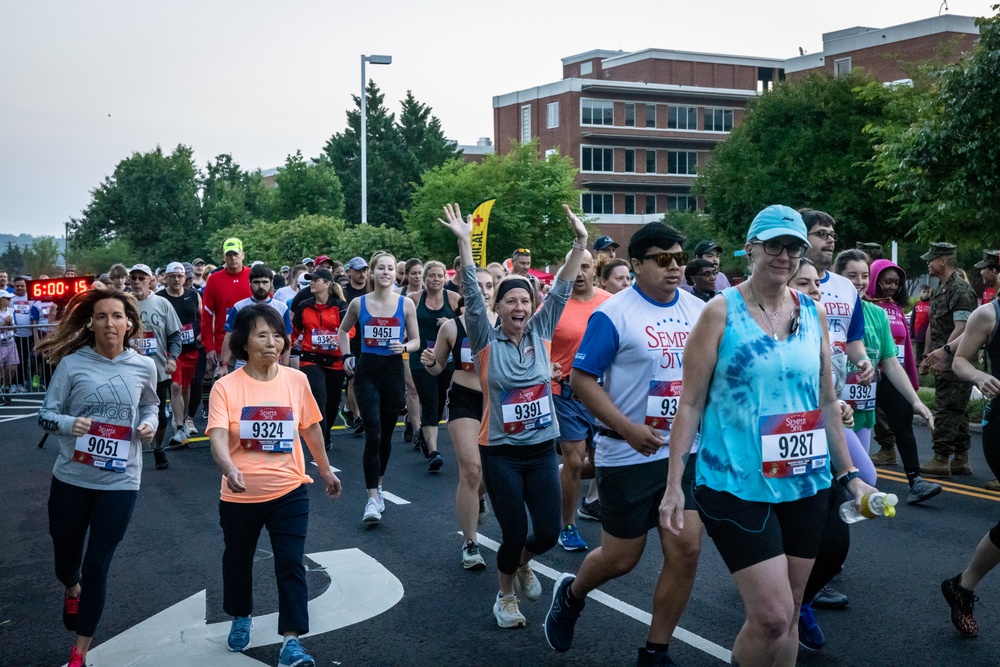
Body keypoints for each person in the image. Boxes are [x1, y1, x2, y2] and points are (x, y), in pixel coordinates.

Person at [659, 205, 878, 667]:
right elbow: (691, 403)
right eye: (774, 245)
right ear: (752, 246)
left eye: (794, 247)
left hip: (804, 481)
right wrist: (674, 484)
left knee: (792, 613)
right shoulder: (719, 312)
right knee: (772, 617)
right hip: (736, 483)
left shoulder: (812, 312)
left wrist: (851, 475)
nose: (784, 255)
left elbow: (824, 401)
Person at [544, 222, 704, 666]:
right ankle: (572, 594)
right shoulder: (613, 313)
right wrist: (628, 428)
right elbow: (581, 379)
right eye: (662, 259)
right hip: (627, 452)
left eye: (679, 258)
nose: (674, 267)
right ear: (635, 264)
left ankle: (656, 650)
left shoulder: (699, 310)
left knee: (686, 550)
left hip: (684, 452)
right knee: (621, 558)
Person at [440, 201, 588, 629]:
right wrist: (466, 243)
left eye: (526, 300)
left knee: (544, 534)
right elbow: (470, 289)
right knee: (512, 532)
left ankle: (525, 563)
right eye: (511, 301)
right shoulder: (484, 338)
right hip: (501, 452)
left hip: (542, 449)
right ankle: (505, 595)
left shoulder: (542, 332)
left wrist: (579, 243)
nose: (520, 307)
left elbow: (560, 287)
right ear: (499, 308)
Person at [207, 305, 341, 665]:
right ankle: (240, 614)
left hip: (289, 491)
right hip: (239, 495)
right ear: (243, 343)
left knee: (291, 563)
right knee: (238, 559)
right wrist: (228, 467)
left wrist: (325, 470)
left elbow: (311, 427)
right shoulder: (225, 387)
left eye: (277, 335)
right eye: (261, 335)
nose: (272, 342)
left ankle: (292, 641)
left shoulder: (296, 381)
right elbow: (218, 436)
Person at [36, 284, 158, 667]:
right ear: (91, 323)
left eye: (117, 316)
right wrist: (70, 424)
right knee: (66, 562)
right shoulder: (73, 364)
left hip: (120, 481)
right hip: (72, 478)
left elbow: (153, 405)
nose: (109, 323)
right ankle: (71, 587)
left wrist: (150, 425)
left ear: (130, 323)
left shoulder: (144, 365)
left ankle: (80, 651)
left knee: (98, 564)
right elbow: (46, 414)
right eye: (102, 316)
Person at [421, 266, 497, 569]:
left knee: (492, 473)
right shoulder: (452, 327)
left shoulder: (507, 323)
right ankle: (470, 542)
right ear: (465, 291)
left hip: (499, 403)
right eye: (477, 285)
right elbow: (438, 368)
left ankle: (477, 497)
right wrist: (429, 363)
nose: (484, 290)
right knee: (471, 469)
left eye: (490, 285)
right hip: (465, 400)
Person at [337, 252, 419, 524]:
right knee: (373, 434)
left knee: (385, 437)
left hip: (393, 373)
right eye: (380, 268)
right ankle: (371, 499)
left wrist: (405, 346)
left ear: (396, 274)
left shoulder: (406, 304)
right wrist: (347, 356)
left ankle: (379, 485)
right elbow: (343, 331)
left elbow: (417, 340)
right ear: (371, 273)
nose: (385, 272)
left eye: (390, 268)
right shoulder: (359, 304)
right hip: (367, 373)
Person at [547, 250, 611, 552]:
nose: (580, 273)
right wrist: (545, 367)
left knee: (600, 463)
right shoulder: (553, 305)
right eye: (575, 268)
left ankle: (555, 477)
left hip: (601, 394)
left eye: (586, 267)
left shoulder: (610, 303)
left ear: (594, 269)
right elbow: (535, 341)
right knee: (574, 459)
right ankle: (568, 525)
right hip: (565, 392)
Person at [945, 296, 1000, 638]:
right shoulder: (988, 313)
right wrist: (978, 375)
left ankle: (961, 587)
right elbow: (960, 361)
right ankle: (961, 588)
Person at [867, 258, 943, 503]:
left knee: (903, 425)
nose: (892, 287)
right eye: (887, 281)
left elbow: (904, 345)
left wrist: (910, 376)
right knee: (857, 427)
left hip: (892, 376)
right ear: (874, 279)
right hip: (863, 377)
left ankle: (916, 481)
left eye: (896, 283)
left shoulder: (895, 307)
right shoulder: (860, 305)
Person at [919, 242, 978, 477]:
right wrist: (927, 355)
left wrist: (944, 353)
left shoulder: (960, 291)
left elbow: (963, 329)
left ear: (943, 261)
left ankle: (941, 458)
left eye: (931, 259)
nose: (928, 263)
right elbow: (934, 326)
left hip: (957, 358)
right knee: (958, 411)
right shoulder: (941, 289)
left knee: (947, 408)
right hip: (942, 356)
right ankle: (961, 459)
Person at [407, 260, 461, 471]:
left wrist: (450, 322)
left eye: (440, 276)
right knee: (429, 402)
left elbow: (467, 324)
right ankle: (434, 452)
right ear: (424, 278)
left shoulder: (454, 299)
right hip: (421, 358)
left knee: (439, 405)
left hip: (447, 360)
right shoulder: (413, 299)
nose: (436, 279)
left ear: (445, 279)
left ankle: (423, 435)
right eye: (432, 276)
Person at [129, 263, 182, 469]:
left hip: (158, 371)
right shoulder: (124, 304)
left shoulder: (162, 303)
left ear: (151, 281)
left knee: (158, 414)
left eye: (141, 278)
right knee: (127, 412)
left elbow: (175, 336)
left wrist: (172, 358)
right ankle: (130, 453)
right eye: (133, 278)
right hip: (129, 370)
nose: (136, 282)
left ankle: (158, 447)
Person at [291, 267, 348, 451]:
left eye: (316, 280)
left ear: (327, 284)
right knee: (319, 397)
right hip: (310, 359)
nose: (312, 283)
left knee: (332, 403)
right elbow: (295, 331)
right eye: (311, 280)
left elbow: (350, 330)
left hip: (335, 361)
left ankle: (326, 432)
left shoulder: (340, 306)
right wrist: (284, 349)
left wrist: (337, 339)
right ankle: (320, 442)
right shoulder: (304, 306)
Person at [221, 264, 291, 375]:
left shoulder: (282, 308)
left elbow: (286, 337)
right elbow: (229, 335)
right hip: (243, 365)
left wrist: (285, 366)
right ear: (250, 283)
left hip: (273, 365)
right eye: (257, 282)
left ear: (271, 283)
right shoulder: (239, 307)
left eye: (264, 282)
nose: (261, 286)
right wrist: (223, 364)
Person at [161, 262, 203, 448]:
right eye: (173, 276)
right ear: (166, 278)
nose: (177, 279)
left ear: (184, 277)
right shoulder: (160, 297)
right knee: (176, 387)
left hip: (191, 349)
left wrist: (202, 333)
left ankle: (184, 419)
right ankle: (179, 428)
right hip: (171, 350)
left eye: (180, 276)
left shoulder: (194, 295)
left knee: (186, 388)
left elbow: (203, 317)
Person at [202, 238, 252, 380]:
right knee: (225, 383)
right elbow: (206, 316)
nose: (233, 258)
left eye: (236, 254)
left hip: (251, 341)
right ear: (224, 257)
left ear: (243, 254)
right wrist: (209, 347)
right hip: (223, 343)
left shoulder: (252, 275)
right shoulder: (214, 280)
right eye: (229, 255)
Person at [0, 292, 19, 404]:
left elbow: (15, 328)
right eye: (7, 298)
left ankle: (6, 387)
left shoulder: (11, 311)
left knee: (12, 368)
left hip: (10, 342)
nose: (9, 301)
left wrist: (11, 324)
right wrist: (4, 323)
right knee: (0, 372)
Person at [911, 283, 932, 364]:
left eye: (928, 292)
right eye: (924, 292)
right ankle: (918, 362)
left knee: (928, 346)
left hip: (927, 330)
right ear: (920, 293)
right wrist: (912, 331)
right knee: (919, 347)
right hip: (918, 330)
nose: (926, 293)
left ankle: (927, 362)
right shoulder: (917, 304)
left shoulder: (931, 303)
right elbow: (913, 317)